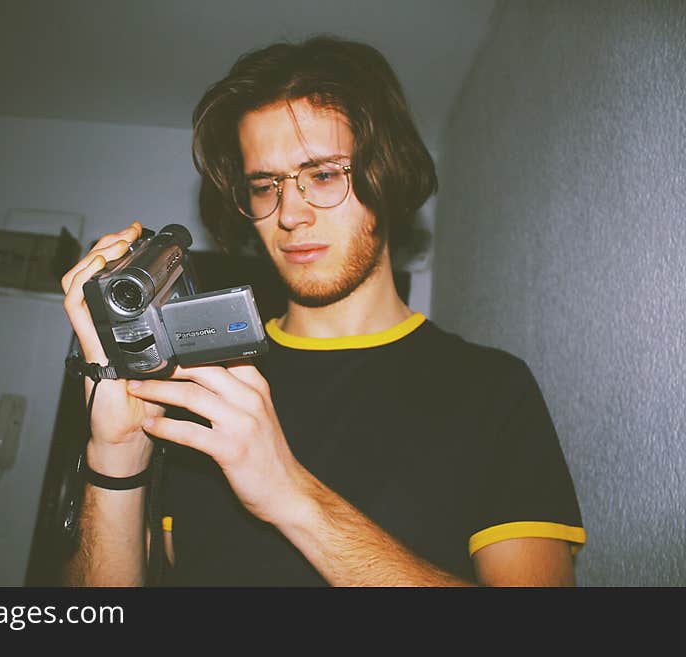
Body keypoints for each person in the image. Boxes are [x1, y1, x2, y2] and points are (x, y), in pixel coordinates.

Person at [60, 35, 585, 587]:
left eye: (324, 175)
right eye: (264, 186)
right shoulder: (202, 383)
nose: (289, 214)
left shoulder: (492, 390)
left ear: (387, 174)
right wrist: (115, 452)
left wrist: (290, 494)